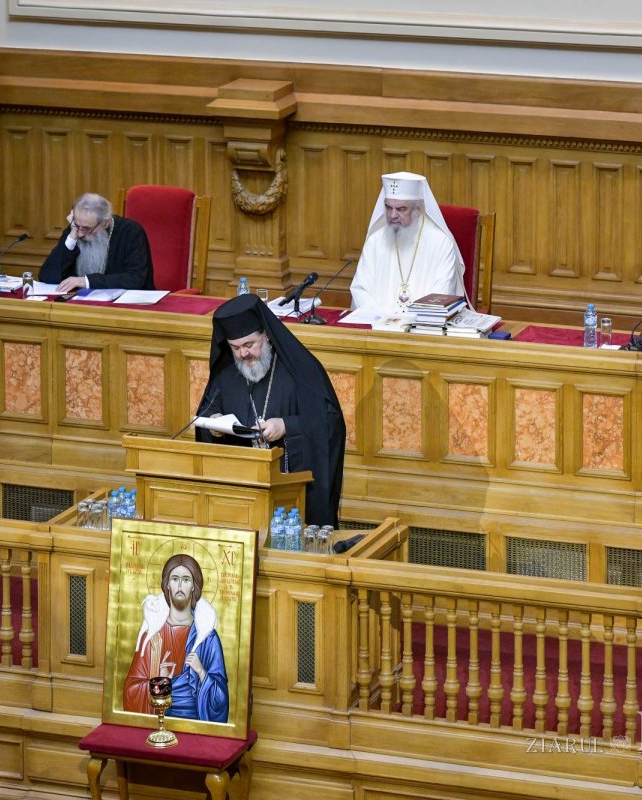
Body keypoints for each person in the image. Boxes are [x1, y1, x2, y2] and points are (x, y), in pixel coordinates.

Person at [195, 293, 346, 527]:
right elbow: (207, 411)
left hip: (289, 489)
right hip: (238, 489)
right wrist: (213, 423)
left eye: (249, 345)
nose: (243, 354)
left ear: (266, 335)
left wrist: (286, 426)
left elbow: (330, 422)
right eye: (235, 347)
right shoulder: (226, 374)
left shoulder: (300, 370)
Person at [123, 553, 228, 723]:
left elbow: (221, 700)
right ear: (167, 585)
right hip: (159, 720)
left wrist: (201, 672)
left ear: (194, 586)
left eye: (186, 580)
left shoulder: (207, 638)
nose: (180, 585)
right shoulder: (152, 635)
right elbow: (131, 691)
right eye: (175, 579)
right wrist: (160, 681)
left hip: (196, 724)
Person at [350, 171, 465, 314]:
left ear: (419, 209)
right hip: (378, 326)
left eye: (401, 209)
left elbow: (443, 294)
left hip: (423, 327)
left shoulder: (440, 242)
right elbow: (360, 290)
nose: (392, 215)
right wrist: (386, 317)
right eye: (388, 207)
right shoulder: (375, 240)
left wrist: (408, 320)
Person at [39, 192, 154, 293]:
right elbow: (47, 276)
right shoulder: (75, 230)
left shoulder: (130, 231)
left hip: (129, 308)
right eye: (76, 225)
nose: (80, 234)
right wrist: (71, 238)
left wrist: (86, 281)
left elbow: (135, 278)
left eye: (86, 228)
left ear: (105, 223)